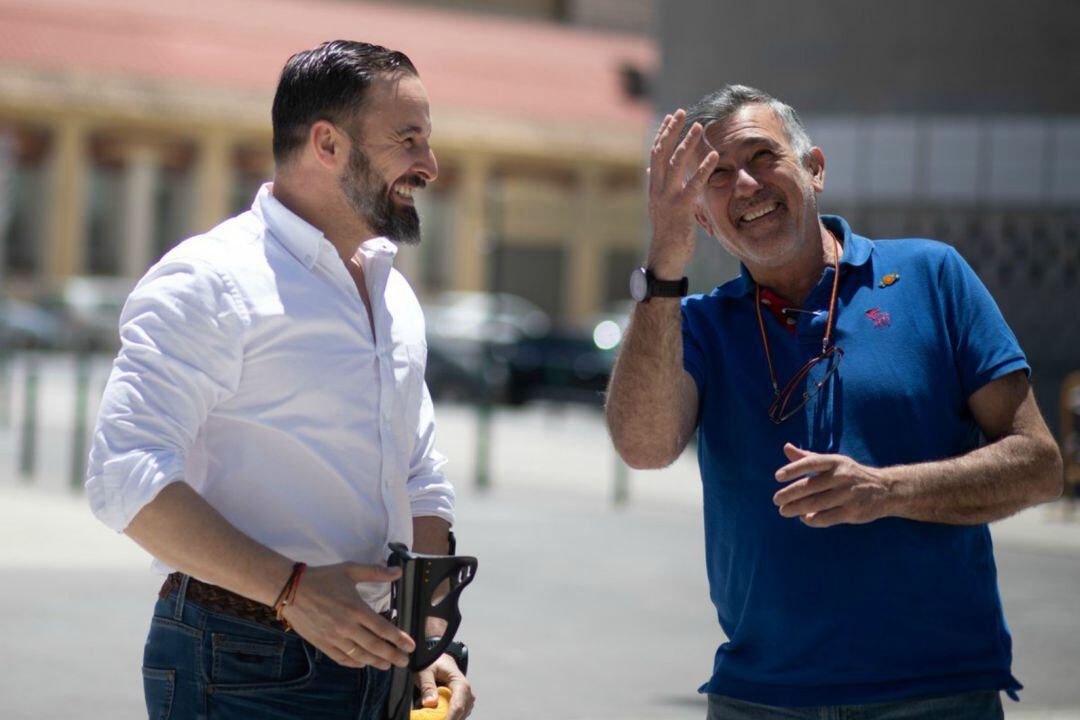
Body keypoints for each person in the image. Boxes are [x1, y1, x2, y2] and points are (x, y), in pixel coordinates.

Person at [605, 85, 1063, 719]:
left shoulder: (932, 276)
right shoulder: (697, 325)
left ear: (814, 169)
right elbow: (644, 447)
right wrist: (663, 260)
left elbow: (1040, 465)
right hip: (760, 698)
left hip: (935, 694)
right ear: (704, 220)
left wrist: (886, 491)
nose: (745, 185)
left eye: (762, 156)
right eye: (716, 176)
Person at [86, 40, 475, 720]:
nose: (429, 165)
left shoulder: (392, 293)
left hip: (380, 661)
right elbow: (126, 475)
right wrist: (292, 591)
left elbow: (419, 475)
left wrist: (427, 638)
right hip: (241, 661)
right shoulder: (210, 280)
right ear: (327, 144)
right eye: (407, 139)